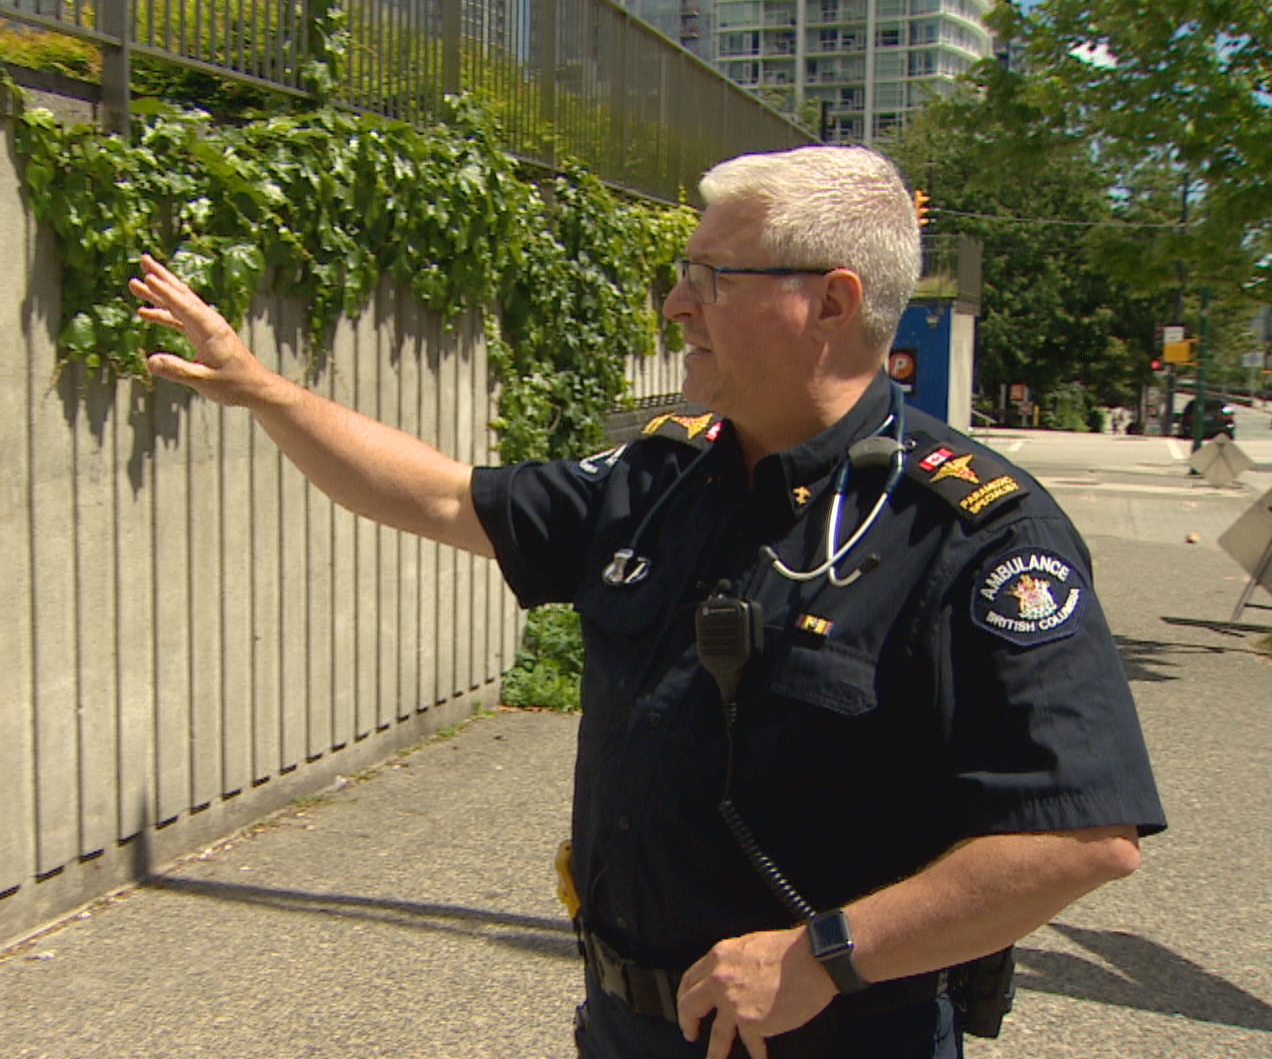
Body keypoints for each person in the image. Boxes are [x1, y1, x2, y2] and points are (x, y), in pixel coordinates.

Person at [130, 144, 1165, 1059]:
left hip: (832, 1036)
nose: (676, 304)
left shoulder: (972, 529)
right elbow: (446, 494)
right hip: (627, 1026)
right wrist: (262, 389)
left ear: (833, 303)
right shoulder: (661, 475)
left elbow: (1078, 837)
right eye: (683, 274)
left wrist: (827, 952)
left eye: (710, 277)